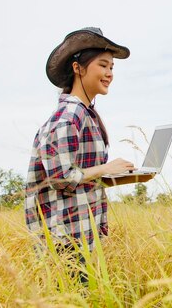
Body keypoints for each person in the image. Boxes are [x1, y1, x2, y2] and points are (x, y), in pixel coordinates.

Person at [24, 27, 153, 283]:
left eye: (112, 68)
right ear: (78, 68)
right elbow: (61, 178)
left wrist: (124, 176)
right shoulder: (69, 116)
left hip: (80, 231)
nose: (109, 74)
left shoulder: (86, 114)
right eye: (103, 65)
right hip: (64, 238)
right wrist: (105, 168)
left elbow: (81, 177)